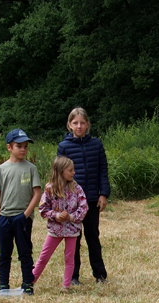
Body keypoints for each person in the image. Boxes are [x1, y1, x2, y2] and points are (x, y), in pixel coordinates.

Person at [57, 108, 110, 284]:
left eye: (82, 122)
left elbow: (103, 170)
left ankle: (100, 275)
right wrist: (62, 199)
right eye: (75, 123)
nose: (79, 126)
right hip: (72, 202)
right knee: (74, 239)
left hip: (93, 199)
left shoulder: (97, 144)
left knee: (93, 236)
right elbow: (60, 174)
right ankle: (73, 276)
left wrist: (103, 194)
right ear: (69, 125)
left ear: (87, 124)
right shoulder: (64, 146)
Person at [0, 129, 42, 294]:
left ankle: (27, 283)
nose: (23, 150)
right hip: (4, 218)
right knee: (4, 253)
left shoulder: (31, 168)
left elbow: (36, 194)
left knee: (25, 252)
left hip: (23, 218)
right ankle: (3, 284)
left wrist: (25, 215)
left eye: (26, 146)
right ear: (9, 147)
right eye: (19, 146)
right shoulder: (1, 169)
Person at [32, 156, 89, 292]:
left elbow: (84, 208)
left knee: (70, 258)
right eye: (70, 170)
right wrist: (56, 216)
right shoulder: (49, 189)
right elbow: (43, 208)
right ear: (61, 171)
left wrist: (70, 217)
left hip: (72, 230)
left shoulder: (77, 188)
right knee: (44, 256)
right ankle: (30, 281)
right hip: (55, 230)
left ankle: (66, 286)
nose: (73, 172)